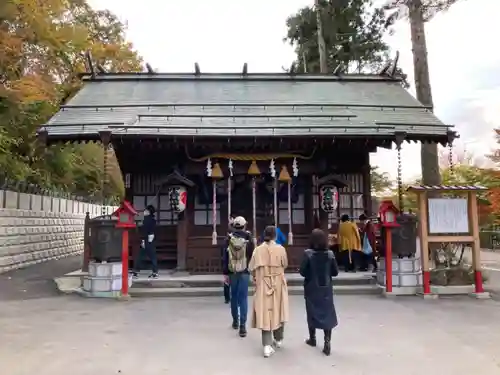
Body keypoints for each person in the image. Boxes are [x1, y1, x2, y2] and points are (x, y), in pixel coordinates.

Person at [249, 225, 289, 358]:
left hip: (263, 283)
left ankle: (266, 345)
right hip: (278, 283)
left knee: (264, 313)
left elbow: (251, 268)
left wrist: (256, 277)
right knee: (279, 310)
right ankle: (278, 339)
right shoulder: (281, 249)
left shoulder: (258, 250)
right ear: (275, 236)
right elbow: (285, 264)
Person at [299, 229, 339, 356]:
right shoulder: (330, 254)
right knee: (327, 313)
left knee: (311, 312)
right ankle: (327, 342)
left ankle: (313, 338)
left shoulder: (308, 254)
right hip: (326, 288)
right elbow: (335, 272)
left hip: (312, 287)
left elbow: (302, 272)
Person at [222, 216, 254, 337]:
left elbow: (224, 257)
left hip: (232, 271)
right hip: (244, 270)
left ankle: (235, 321)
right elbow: (252, 254)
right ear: (244, 225)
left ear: (233, 225)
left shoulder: (228, 239)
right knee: (243, 298)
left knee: (233, 296)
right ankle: (243, 326)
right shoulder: (248, 239)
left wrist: (225, 272)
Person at [132, 205, 159, 279]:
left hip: (146, 239)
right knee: (152, 256)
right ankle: (155, 272)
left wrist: (143, 241)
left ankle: (136, 272)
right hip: (151, 238)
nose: (144, 212)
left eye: (145, 210)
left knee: (140, 256)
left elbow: (144, 230)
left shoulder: (145, 219)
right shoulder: (153, 219)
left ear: (148, 212)